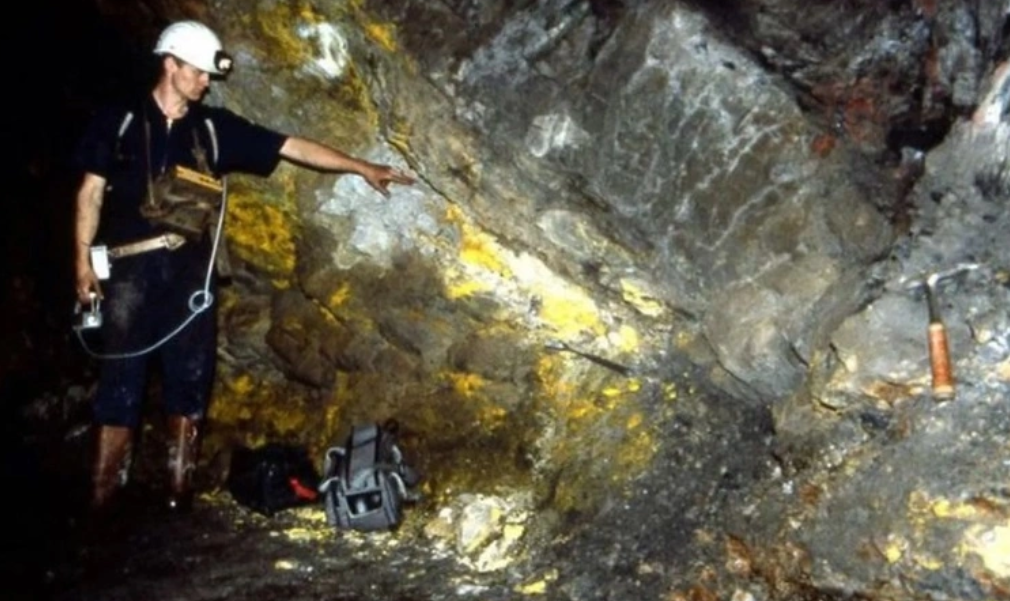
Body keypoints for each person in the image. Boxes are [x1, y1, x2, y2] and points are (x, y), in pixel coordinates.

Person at [72, 20, 414, 513]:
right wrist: (82, 263)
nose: (207, 81)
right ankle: (103, 502)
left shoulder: (213, 128)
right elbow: (91, 193)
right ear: (171, 65)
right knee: (120, 383)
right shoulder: (119, 120)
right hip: (128, 274)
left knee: (189, 382)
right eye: (199, 72)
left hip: (191, 275)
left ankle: (177, 498)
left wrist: (362, 166)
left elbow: (291, 146)